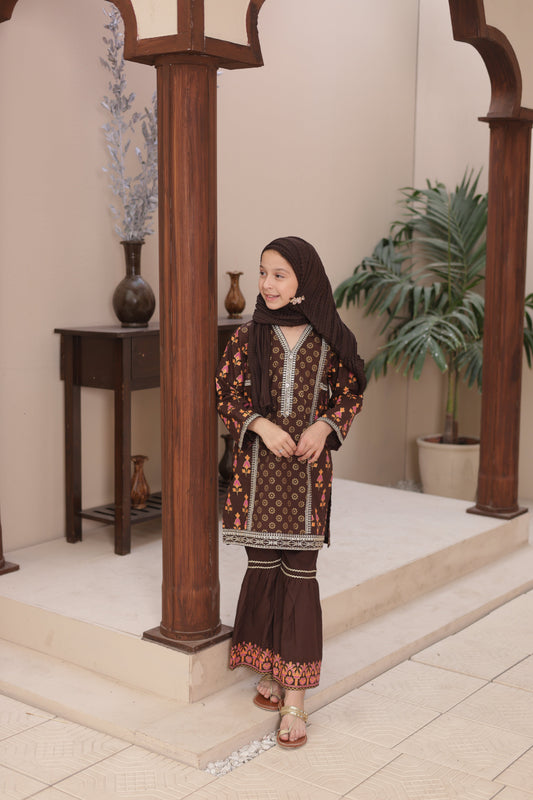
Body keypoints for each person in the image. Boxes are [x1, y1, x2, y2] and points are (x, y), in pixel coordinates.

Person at [215, 236, 365, 749]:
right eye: (263, 273)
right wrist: (259, 424)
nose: (267, 284)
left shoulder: (329, 338)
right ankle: (269, 664)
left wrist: (324, 427)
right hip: (258, 476)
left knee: (299, 574)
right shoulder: (247, 336)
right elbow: (225, 394)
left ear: (304, 278)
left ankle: (296, 697)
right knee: (262, 569)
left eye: (279, 274)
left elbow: (351, 391)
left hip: (305, 478)